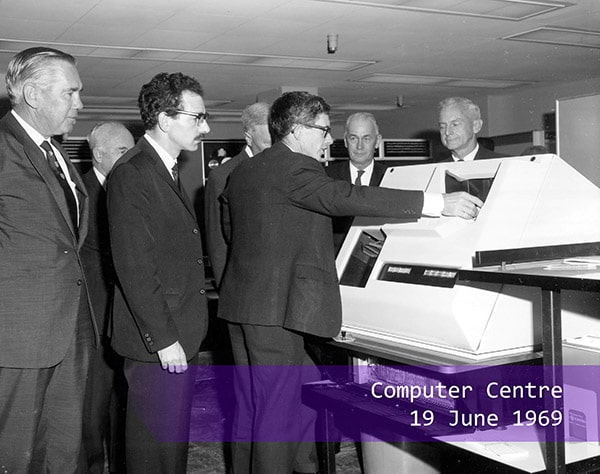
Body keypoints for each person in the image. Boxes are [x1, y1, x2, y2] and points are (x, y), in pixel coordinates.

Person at [218, 91, 482, 473]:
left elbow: (235, 232)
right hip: (275, 315)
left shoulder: (246, 169)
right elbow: (345, 196)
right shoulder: (295, 167)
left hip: (243, 308)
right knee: (278, 416)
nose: (329, 140)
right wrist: (438, 204)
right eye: (324, 131)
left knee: (262, 404)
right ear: (295, 130)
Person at [107, 72, 211, 474]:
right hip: (159, 342)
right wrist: (165, 339)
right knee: (153, 453)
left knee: (169, 449)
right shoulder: (133, 173)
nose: (206, 127)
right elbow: (134, 266)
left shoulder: (162, 168)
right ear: (165, 120)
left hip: (177, 333)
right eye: (197, 117)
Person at [0, 46, 96, 472]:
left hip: (70, 330)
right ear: (33, 94)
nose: (80, 103)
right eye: (71, 92)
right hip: (19, 336)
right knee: (16, 453)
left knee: (63, 450)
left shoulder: (57, 152)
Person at [82, 121, 135, 473]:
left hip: (128, 319)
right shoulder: (81, 192)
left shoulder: (132, 188)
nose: (129, 159)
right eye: (121, 152)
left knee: (124, 403)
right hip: (94, 318)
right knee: (93, 406)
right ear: (99, 155)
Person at [205, 101, 271, 288]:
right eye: (267, 143)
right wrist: (226, 290)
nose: (274, 149)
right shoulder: (222, 176)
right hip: (242, 283)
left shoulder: (283, 170)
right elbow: (217, 243)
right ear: (249, 137)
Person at [326, 112, 387, 252]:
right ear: (346, 141)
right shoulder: (326, 178)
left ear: (377, 141)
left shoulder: (393, 178)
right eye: (353, 138)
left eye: (366, 138)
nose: (359, 147)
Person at [438, 97, 505, 161]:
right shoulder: (434, 170)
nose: (447, 132)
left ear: (476, 126)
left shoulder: (504, 163)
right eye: (442, 127)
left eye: (455, 125)